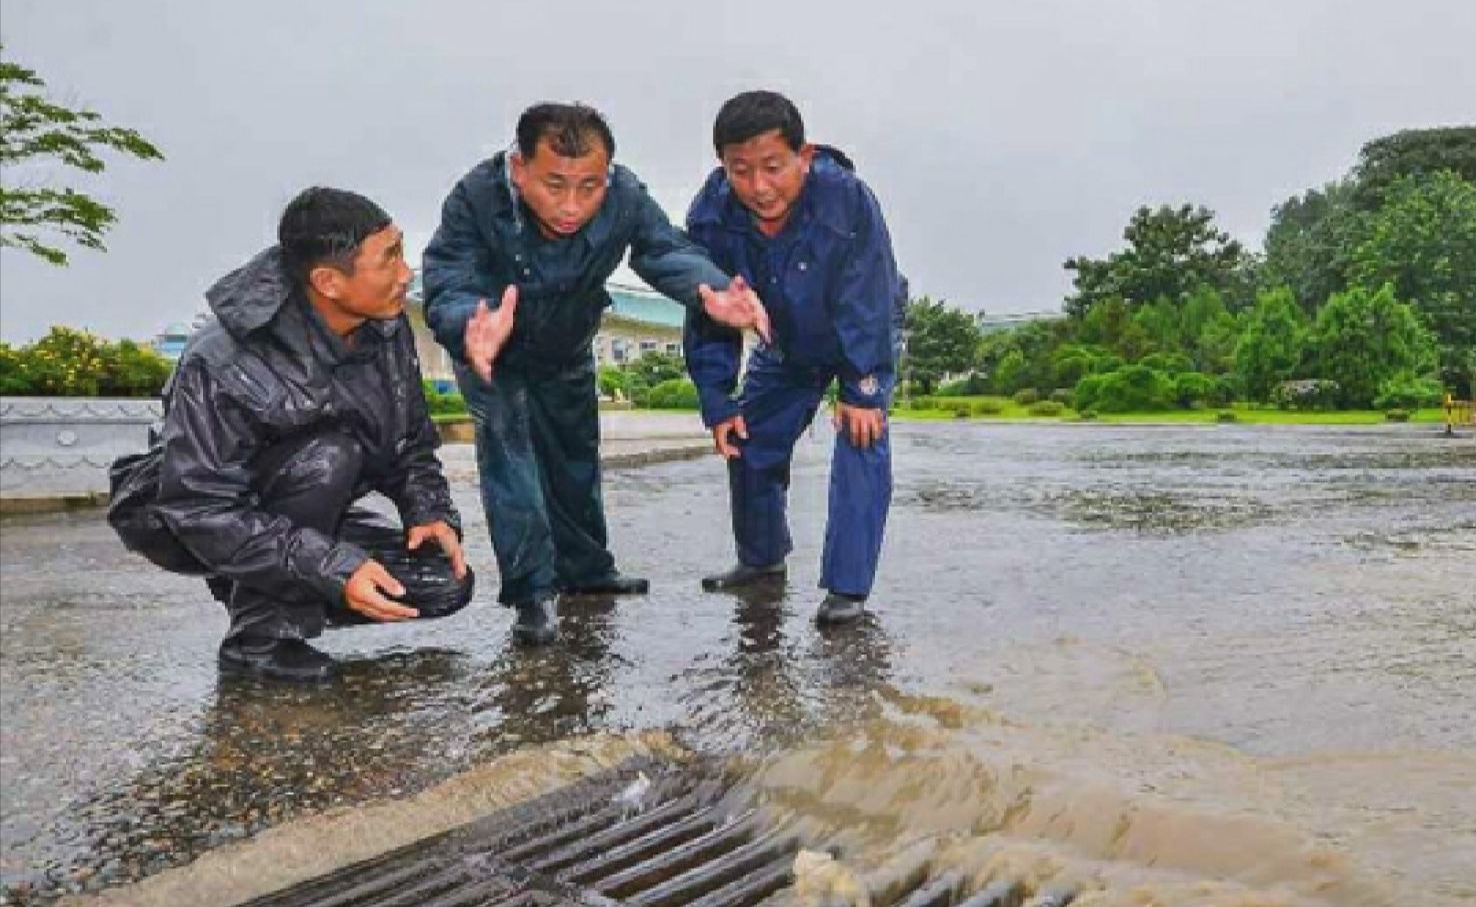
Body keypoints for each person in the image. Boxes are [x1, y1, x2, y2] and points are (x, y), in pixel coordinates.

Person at [423, 103, 768, 646]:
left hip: (568, 345)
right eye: (554, 185)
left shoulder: (625, 195)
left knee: (577, 460)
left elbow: (664, 249)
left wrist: (712, 289)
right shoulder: (477, 196)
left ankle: (586, 573)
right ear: (519, 168)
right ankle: (532, 595)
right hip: (494, 348)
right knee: (513, 464)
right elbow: (447, 272)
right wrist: (468, 323)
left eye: (589, 186)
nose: (572, 206)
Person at [107, 188, 473, 684]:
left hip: (288, 509)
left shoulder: (386, 330)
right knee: (330, 456)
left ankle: (261, 580)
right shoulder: (223, 358)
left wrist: (427, 509)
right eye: (388, 258)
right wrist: (331, 567)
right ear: (328, 281)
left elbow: (409, 440)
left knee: (443, 583)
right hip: (181, 514)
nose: (405, 273)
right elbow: (199, 505)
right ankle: (261, 639)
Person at [683, 92, 905, 626]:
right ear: (723, 167)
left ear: (802, 155)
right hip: (783, 338)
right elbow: (710, 306)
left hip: (857, 330)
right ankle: (761, 560)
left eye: (773, 167)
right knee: (747, 437)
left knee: (861, 437)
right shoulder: (711, 215)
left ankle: (847, 589)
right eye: (741, 171)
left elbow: (868, 292)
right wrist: (717, 398)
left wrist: (863, 387)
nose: (759, 188)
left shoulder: (847, 199)